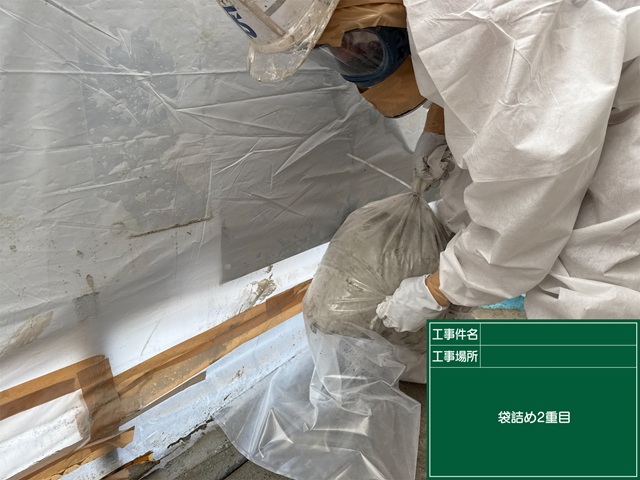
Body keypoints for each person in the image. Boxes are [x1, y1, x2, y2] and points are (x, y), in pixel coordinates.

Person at [217, 0, 640, 322]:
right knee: (476, 201)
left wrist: (439, 289)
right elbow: (493, 62)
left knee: (591, 290)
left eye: (353, 43)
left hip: (624, 101)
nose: (348, 58)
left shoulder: (471, 16)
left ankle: (590, 405)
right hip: (584, 76)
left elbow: (528, 188)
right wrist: (439, 124)